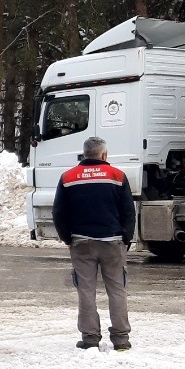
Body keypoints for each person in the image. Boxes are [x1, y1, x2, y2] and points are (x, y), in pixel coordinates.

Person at [51, 136, 137, 351]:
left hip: (81, 242)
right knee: (117, 290)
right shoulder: (117, 176)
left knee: (86, 291)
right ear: (104, 154)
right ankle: (121, 340)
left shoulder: (68, 177)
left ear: (84, 154)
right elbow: (128, 212)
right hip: (113, 242)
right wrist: (126, 238)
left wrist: (67, 238)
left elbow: (59, 212)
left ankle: (90, 338)